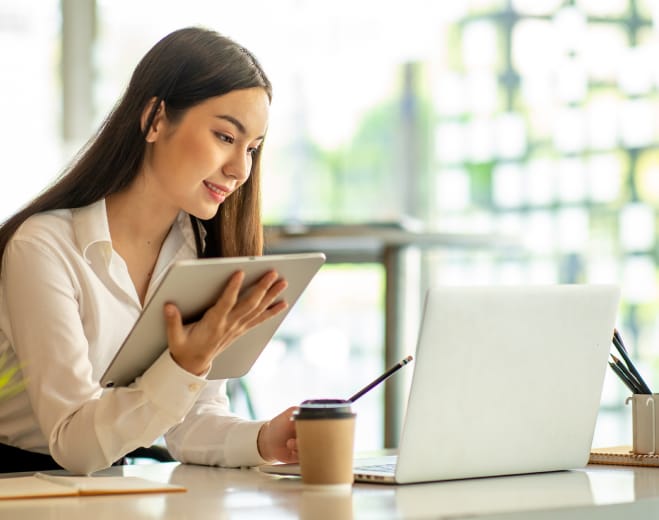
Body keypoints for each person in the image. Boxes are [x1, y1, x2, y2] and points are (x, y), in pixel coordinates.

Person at [0, 26, 301, 474]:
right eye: (225, 136)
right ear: (155, 118)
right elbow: (74, 444)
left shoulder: (195, 252)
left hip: (110, 482)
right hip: (18, 484)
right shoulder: (44, 247)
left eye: (252, 147)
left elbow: (192, 423)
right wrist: (187, 361)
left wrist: (264, 439)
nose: (240, 169)